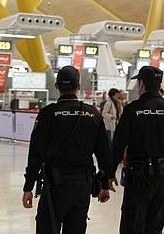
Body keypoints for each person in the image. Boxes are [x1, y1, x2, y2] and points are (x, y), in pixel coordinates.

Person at [22, 66, 112, 233]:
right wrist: (105, 184)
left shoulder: (47, 114)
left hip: (54, 186)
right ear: (78, 87)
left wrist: (28, 187)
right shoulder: (93, 115)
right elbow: (104, 154)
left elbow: (35, 153)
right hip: (82, 186)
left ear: (56, 86)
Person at [109, 66, 164, 234]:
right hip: (163, 178)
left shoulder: (133, 110)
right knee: (155, 226)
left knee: (132, 225)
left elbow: (118, 145)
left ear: (142, 83)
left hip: (139, 177)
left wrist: (108, 174)